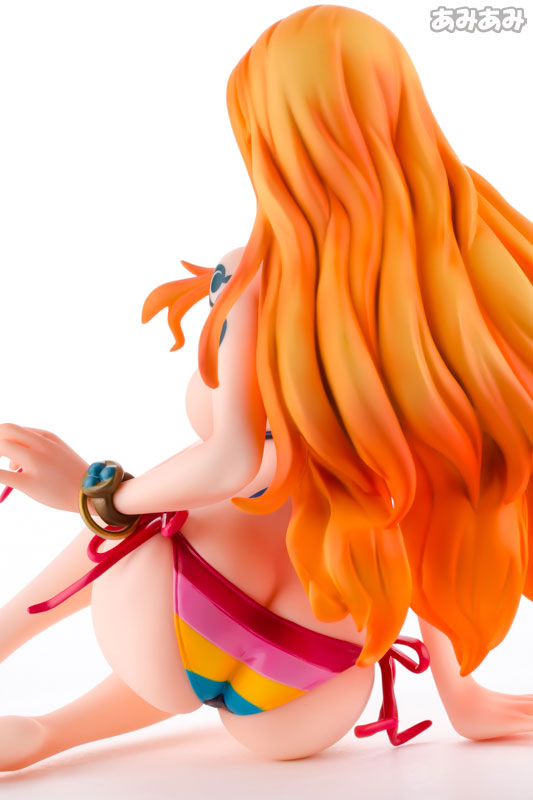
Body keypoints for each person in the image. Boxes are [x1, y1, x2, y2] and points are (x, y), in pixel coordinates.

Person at [0, 4, 532, 772]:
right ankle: (53, 732)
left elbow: (232, 460)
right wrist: (463, 697)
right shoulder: (468, 290)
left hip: (177, 604)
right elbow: (444, 514)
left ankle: (21, 670)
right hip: (314, 677)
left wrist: (94, 491)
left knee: (152, 509)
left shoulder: (257, 273)